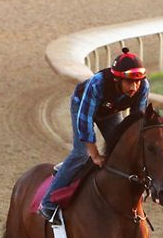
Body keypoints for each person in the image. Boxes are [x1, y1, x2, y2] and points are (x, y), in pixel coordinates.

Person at [39, 48, 150, 225]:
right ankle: (48, 202)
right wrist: (95, 155)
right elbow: (85, 121)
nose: (134, 87)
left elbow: (136, 122)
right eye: (129, 83)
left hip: (110, 112)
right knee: (82, 154)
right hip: (82, 106)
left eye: (137, 83)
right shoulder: (98, 83)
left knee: (123, 148)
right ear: (117, 79)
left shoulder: (143, 87)